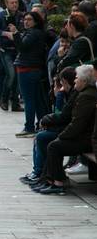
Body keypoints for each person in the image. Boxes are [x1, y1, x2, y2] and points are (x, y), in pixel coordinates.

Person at [33, 65, 97, 195]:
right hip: (84, 136)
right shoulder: (84, 93)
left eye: (77, 78)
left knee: (54, 146)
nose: (74, 81)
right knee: (52, 143)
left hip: (86, 139)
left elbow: (78, 123)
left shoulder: (86, 96)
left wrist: (62, 136)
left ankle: (58, 182)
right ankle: (49, 180)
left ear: (84, 81)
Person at [19, 67, 77, 185]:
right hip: (65, 129)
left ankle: (42, 173)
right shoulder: (69, 94)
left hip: (70, 132)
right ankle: (39, 172)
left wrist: (59, 97)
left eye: (60, 85)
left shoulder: (71, 95)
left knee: (43, 137)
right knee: (41, 135)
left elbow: (62, 116)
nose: (58, 88)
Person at [11, 11, 49, 137]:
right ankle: (42, 124)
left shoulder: (33, 33)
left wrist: (15, 33)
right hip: (32, 68)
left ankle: (29, 127)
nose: (26, 22)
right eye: (25, 19)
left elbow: (22, 47)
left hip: (27, 69)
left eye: (29, 19)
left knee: (29, 100)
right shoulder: (35, 33)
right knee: (37, 99)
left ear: (36, 21)